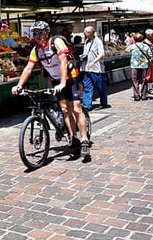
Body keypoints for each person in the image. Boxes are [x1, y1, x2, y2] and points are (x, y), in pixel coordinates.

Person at [12, 21, 91, 161]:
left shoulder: (57, 41)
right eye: (34, 33)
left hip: (70, 77)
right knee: (65, 110)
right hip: (56, 80)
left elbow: (63, 61)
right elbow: (28, 68)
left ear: (47, 32)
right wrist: (19, 85)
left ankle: (84, 139)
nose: (37, 35)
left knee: (76, 108)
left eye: (40, 32)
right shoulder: (36, 50)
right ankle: (74, 138)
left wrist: (63, 82)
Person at [81, 26, 109, 110]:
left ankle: (104, 102)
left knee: (100, 87)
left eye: (87, 32)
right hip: (86, 68)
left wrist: (93, 62)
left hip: (97, 69)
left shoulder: (98, 41)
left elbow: (102, 54)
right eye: (85, 32)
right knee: (87, 87)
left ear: (92, 33)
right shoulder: (86, 41)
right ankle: (87, 105)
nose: (85, 34)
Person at [127, 32, 152, 100]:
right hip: (144, 65)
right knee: (144, 80)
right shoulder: (146, 46)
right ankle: (144, 95)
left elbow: (127, 50)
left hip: (134, 65)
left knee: (135, 80)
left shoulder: (132, 46)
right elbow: (150, 55)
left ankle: (136, 95)